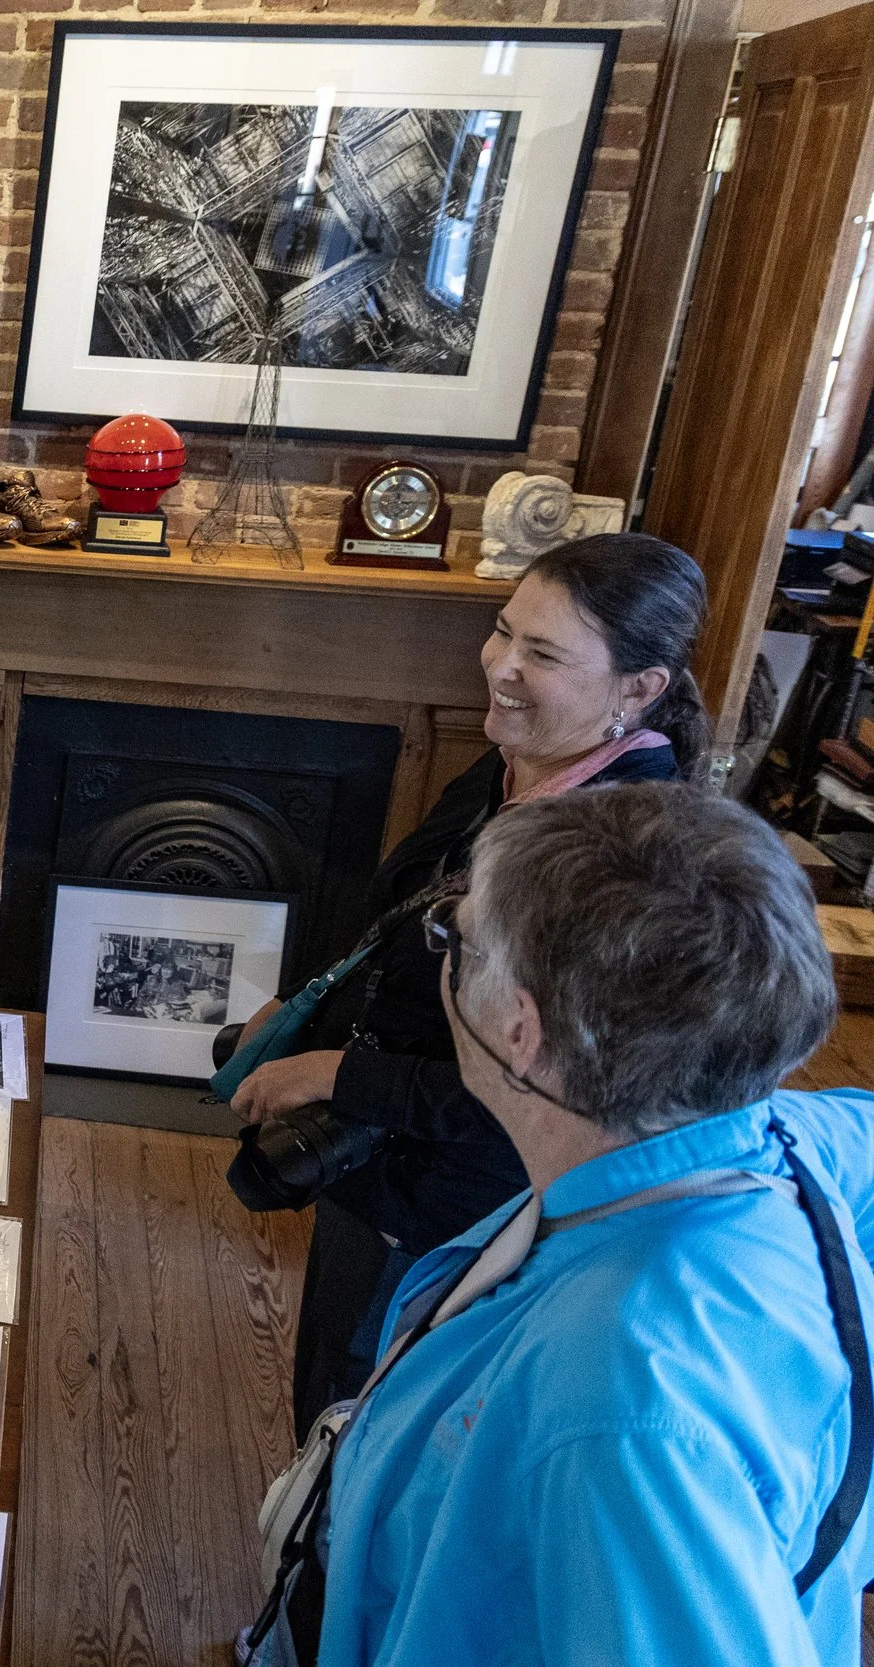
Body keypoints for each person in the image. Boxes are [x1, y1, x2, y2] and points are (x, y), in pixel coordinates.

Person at [281, 783, 870, 1665]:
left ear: (521, 1028)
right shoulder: (781, 1135)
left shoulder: (627, 1415)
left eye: (453, 938)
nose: (444, 955)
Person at [226, 533, 709, 1433]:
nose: (502, 667)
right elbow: (392, 909)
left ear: (640, 688)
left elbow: (546, 1091)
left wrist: (336, 1074)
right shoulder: (513, 764)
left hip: (458, 1205)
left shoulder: (622, 855)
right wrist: (303, 1005)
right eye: (503, 630)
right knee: (329, 1399)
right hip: (379, 1157)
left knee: (367, 1426)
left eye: (544, 654)